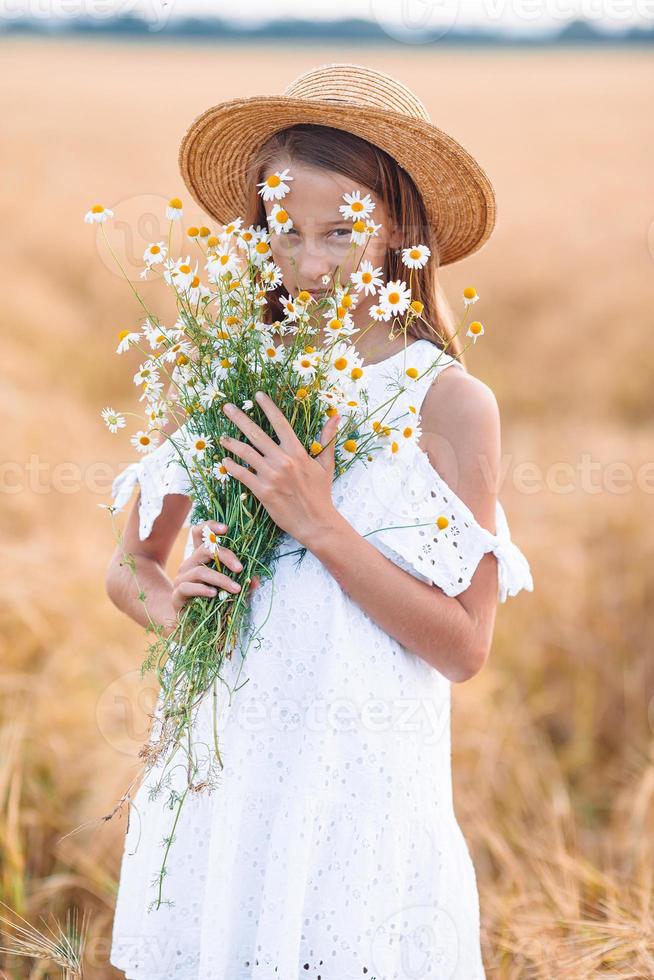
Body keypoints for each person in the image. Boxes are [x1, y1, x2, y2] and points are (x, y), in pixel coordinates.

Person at [107, 63, 533, 980]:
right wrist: (175, 607)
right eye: (281, 233)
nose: (308, 264)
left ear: (401, 232)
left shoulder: (447, 404)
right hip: (222, 781)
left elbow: (463, 647)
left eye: (341, 233)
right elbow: (131, 564)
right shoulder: (226, 371)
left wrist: (321, 524)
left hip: (360, 800)